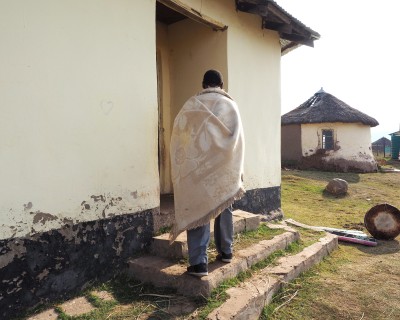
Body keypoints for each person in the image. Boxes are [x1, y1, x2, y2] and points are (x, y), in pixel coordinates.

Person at [169, 69, 245, 277]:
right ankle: (226, 251)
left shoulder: (191, 105)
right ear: (221, 85)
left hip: (198, 168)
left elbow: (180, 133)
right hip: (223, 168)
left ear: (203, 84)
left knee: (198, 209)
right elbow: (237, 141)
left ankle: (198, 263)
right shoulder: (230, 105)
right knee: (224, 205)